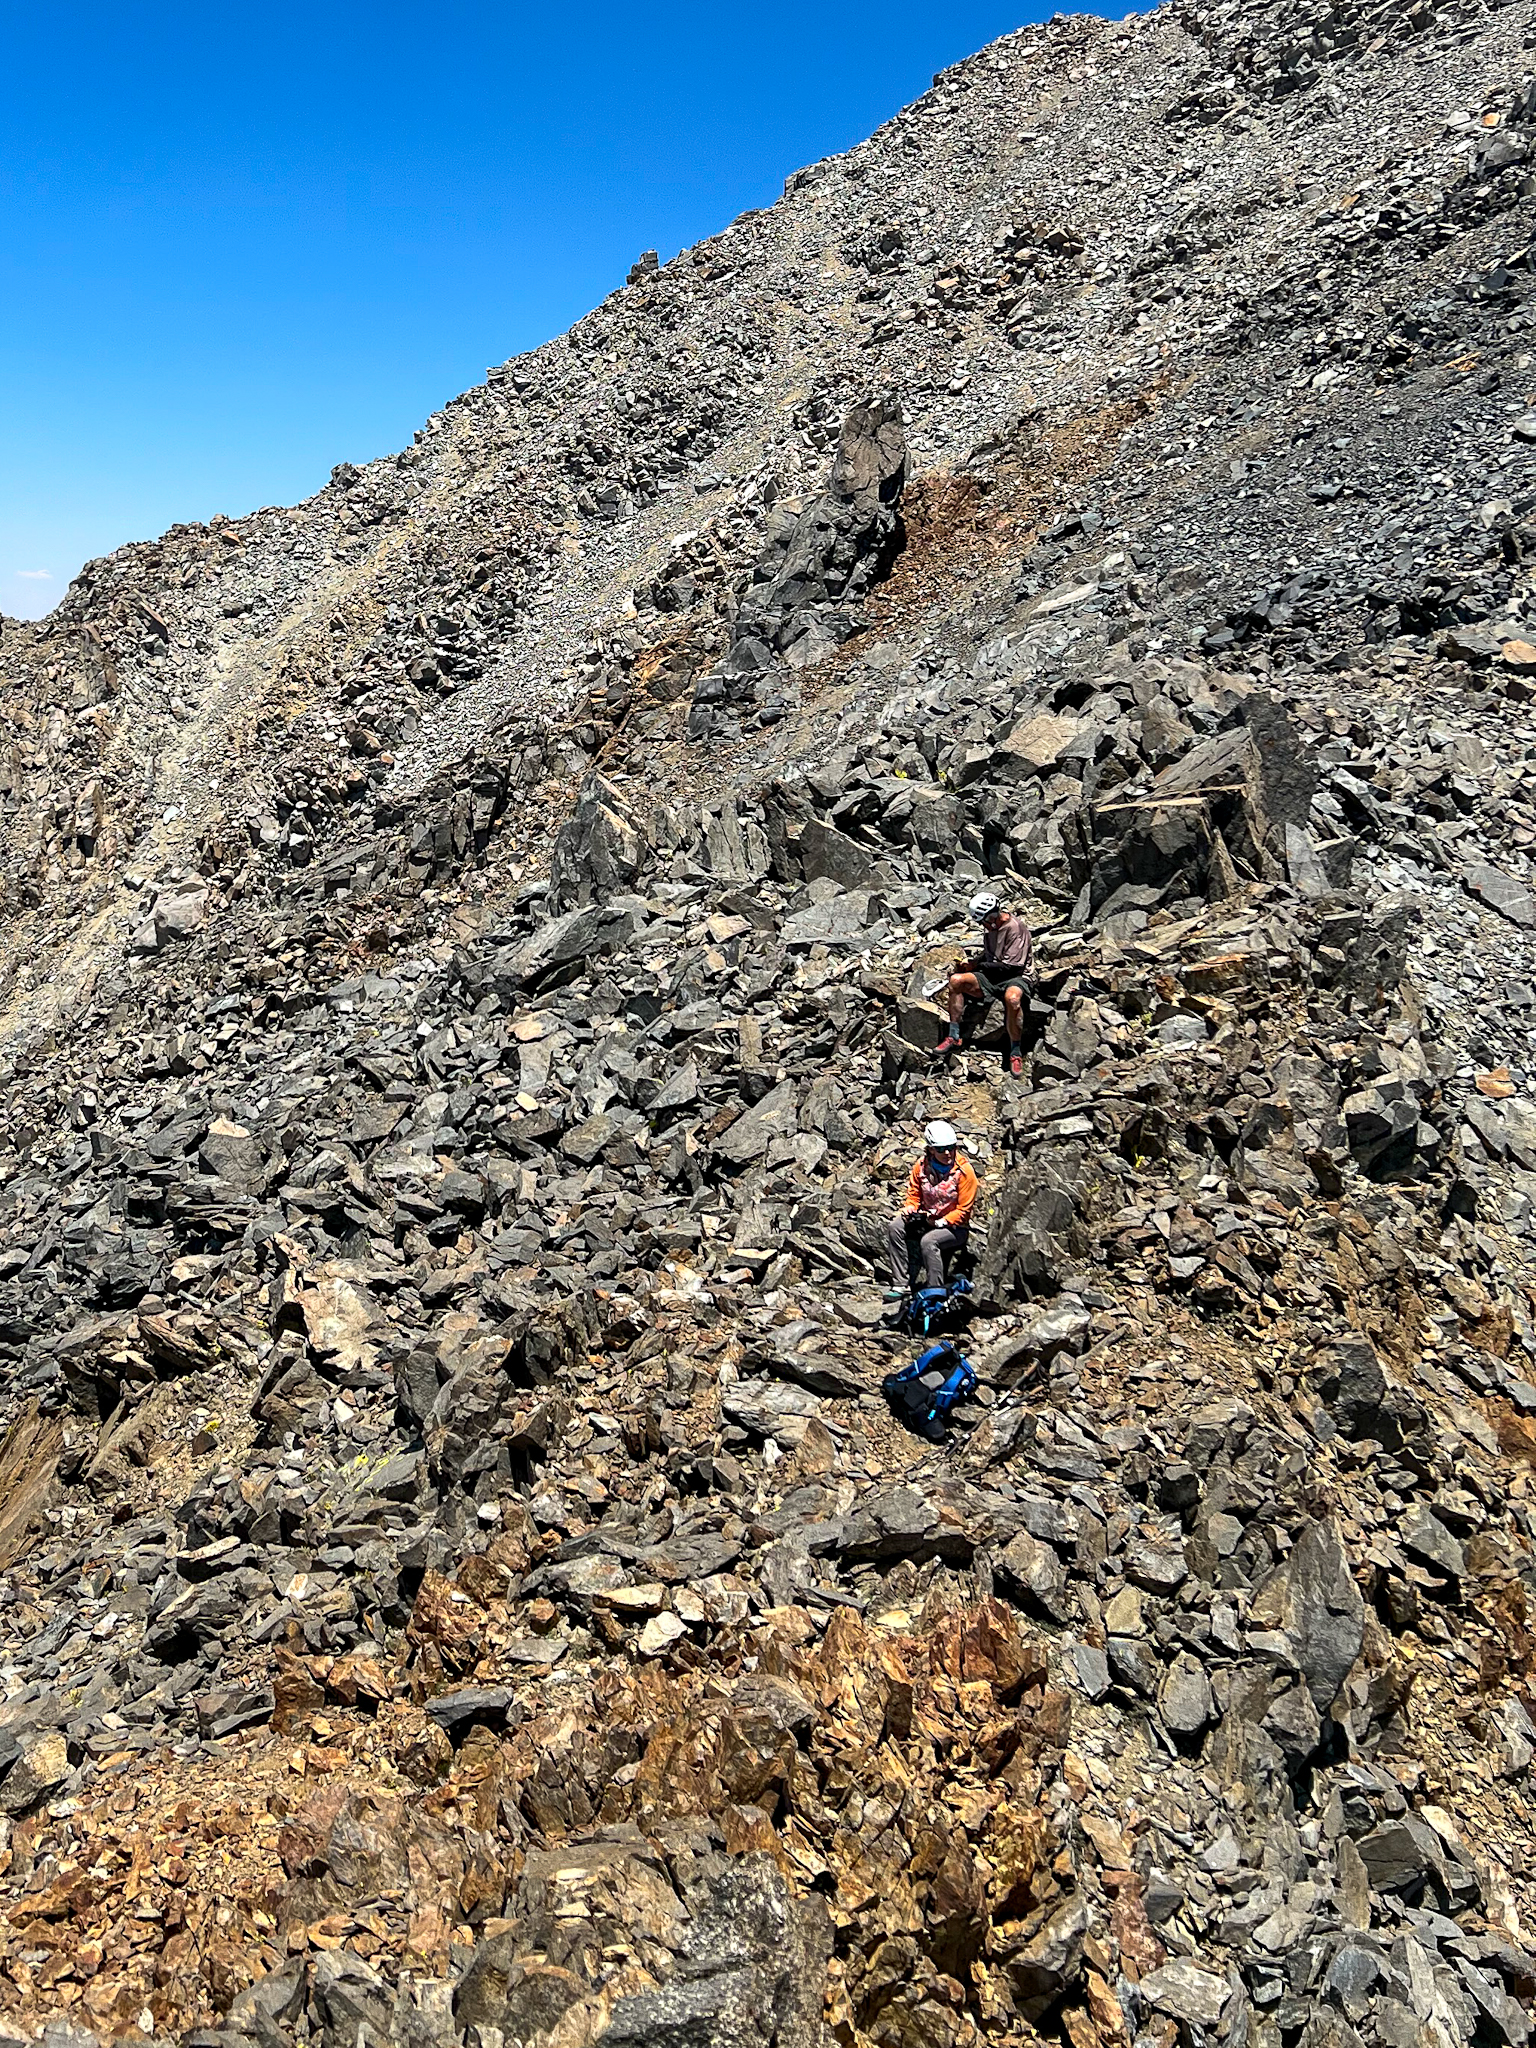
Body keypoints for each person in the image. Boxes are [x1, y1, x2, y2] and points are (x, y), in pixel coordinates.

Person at [935, 891, 1034, 1078]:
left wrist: (979, 966)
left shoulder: (1015, 928)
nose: (984, 926)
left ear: (993, 915)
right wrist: (971, 965)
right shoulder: (990, 928)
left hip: (1016, 976)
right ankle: (954, 1035)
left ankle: (1015, 1051)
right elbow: (991, 956)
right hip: (993, 975)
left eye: (984, 921)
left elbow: (1010, 967)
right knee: (956, 981)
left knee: (1012, 999)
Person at [886, 1120, 979, 1301]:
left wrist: (944, 1221)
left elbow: (964, 1210)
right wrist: (910, 1207)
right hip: (926, 1218)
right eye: (941, 1149)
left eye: (951, 1148)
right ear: (930, 1149)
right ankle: (900, 1284)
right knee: (894, 1227)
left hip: (954, 1228)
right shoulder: (921, 1166)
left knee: (929, 1241)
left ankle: (934, 1290)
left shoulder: (965, 1172)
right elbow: (914, 1194)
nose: (947, 1153)